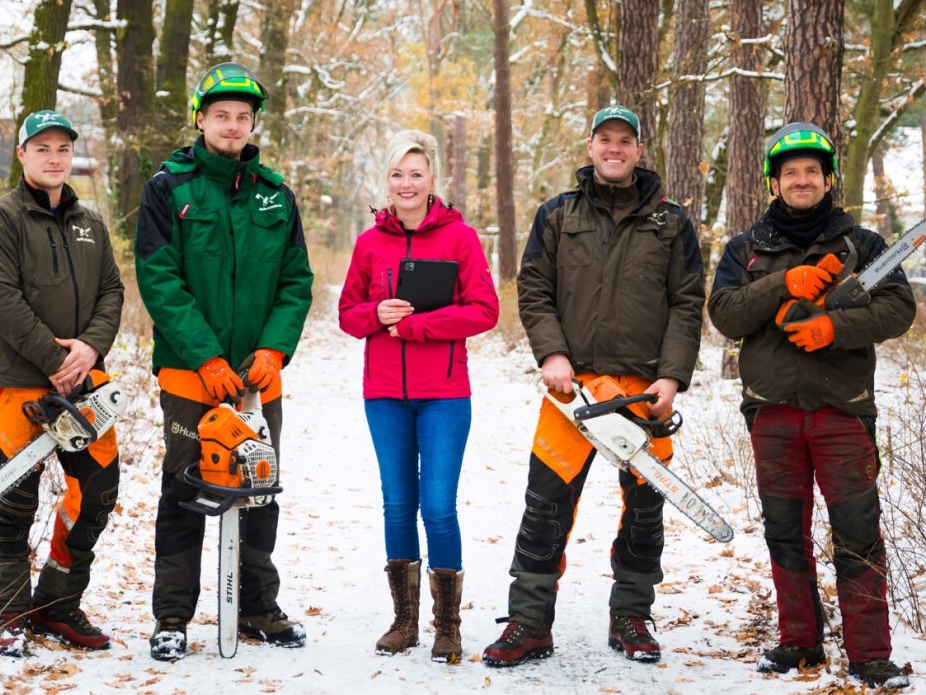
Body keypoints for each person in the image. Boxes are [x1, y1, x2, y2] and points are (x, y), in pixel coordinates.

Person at [482, 105, 705, 668]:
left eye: (624, 140)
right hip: (572, 390)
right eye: (604, 139)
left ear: (638, 149)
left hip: (642, 390)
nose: (614, 148)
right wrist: (552, 354)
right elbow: (533, 288)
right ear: (590, 146)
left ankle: (632, 613)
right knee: (545, 504)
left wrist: (672, 376)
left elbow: (687, 301)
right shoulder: (557, 215)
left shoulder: (670, 221)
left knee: (645, 507)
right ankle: (529, 621)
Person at [708, 122, 914, 690]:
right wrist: (782, 284)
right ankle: (799, 640)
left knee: (857, 529)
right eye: (790, 172)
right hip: (772, 411)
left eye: (812, 171)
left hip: (843, 410)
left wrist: (833, 327)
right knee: (783, 530)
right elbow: (724, 314)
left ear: (827, 180)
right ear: (774, 183)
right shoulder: (746, 249)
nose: (802, 180)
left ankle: (870, 653)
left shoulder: (865, 247)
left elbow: (898, 310)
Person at [134, 62, 314, 661]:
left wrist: (273, 349)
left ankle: (258, 608)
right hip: (192, 375)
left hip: (258, 382)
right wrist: (206, 355)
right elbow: (159, 280)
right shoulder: (169, 188)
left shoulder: (275, 193)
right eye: (221, 115)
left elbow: (296, 281)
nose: (232, 125)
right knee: (185, 488)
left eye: (243, 116)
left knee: (259, 488)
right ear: (201, 119)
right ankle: (172, 617)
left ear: (253, 122)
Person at [337, 129, 499, 662]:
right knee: (397, 505)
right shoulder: (369, 244)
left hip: (445, 395)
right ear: (385, 182)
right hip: (384, 394)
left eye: (416, 174)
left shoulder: (461, 239)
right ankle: (404, 622)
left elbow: (485, 310)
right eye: (397, 174)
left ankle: (446, 626)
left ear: (432, 181)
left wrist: (418, 326)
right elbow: (346, 314)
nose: (406, 184)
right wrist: (374, 315)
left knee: (438, 507)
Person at [0, 110, 125, 656]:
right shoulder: (0, 217)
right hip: (19, 381)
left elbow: (112, 291)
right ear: (22, 155)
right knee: (15, 500)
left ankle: (57, 603)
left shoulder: (90, 222)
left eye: (63, 148)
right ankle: (8, 614)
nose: (54, 157)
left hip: (87, 381)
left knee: (98, 490)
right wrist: (51, 359)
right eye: (43, 148)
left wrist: (90, 349)